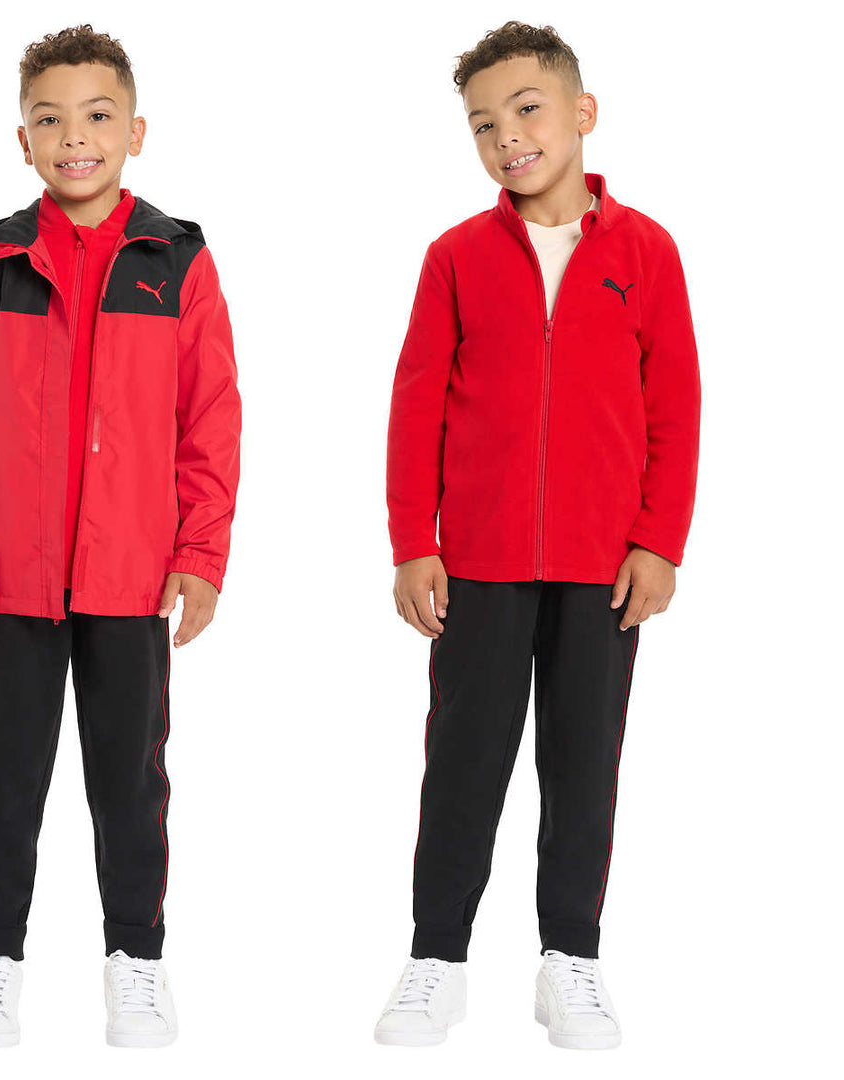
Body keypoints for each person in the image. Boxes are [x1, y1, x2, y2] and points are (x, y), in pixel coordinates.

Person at [374, 20, 700, 1050]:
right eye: (483, 124)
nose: (507, 136)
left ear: (581, 113)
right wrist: (413, 541)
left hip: (605, 567)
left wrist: (660, 540)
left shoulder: (646, 253)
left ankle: (572, 959)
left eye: (526, 110)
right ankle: (436, 960)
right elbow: (416, 405)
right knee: (463, 761)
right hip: (480, 561)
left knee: (583, 761)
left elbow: (675, 406)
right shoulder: (456, 259)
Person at [0, 24, 241, 1048]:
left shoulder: (176, 260)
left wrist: (200, 555)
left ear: (135, 131)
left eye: (97, 117)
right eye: (49, 120)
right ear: (23, 141)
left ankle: (135, 961)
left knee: (131, 781)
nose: (74, 138)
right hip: (9, 580)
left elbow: (211, 418)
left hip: (131, 580)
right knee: (2, 782)